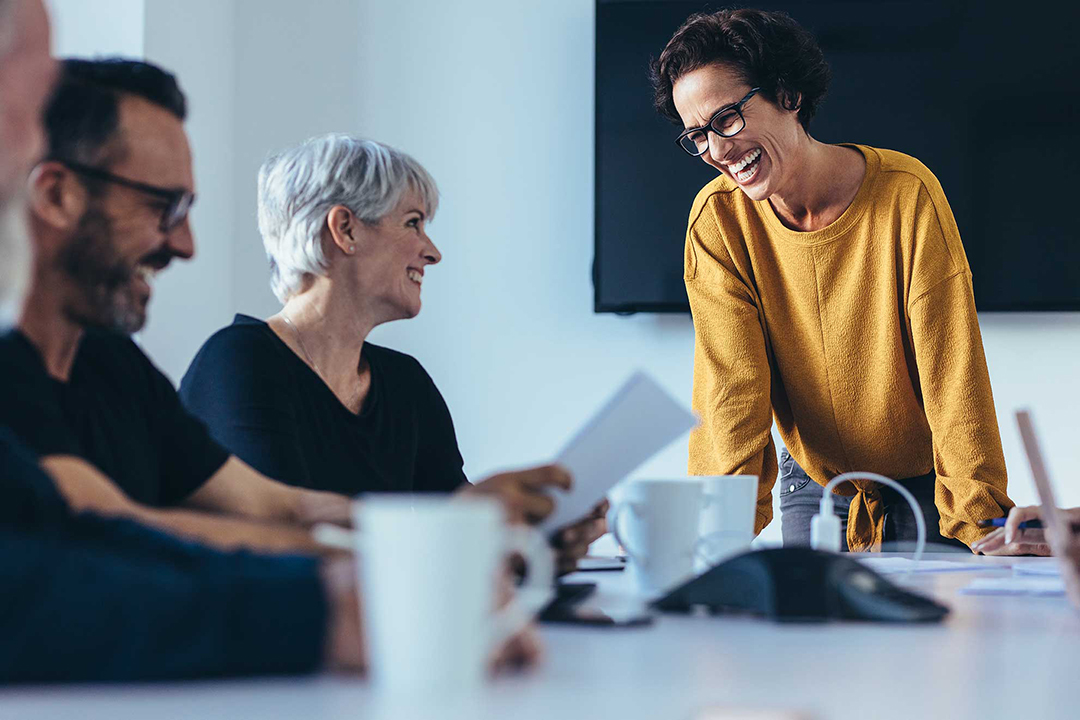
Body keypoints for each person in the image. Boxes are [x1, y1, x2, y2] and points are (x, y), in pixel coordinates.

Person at [650, 8, 1015, 552]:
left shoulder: (906, 194)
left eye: (726, 118)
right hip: (812, 483)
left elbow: (952, 374)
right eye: (697, 135)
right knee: (812, 633)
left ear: (788, 95)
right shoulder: (718, 221)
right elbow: (731, 389)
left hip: (926, 484)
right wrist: (717, 539)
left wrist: (983, 523)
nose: (718, 151)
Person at [179, 134, 606, 573]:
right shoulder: (239, 362)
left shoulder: (405, 382)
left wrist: (534, 545)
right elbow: (283, 548)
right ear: (345, 229)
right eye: (413, 222)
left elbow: (458, 533)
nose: (433, 252)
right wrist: (472, 534)